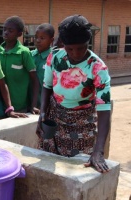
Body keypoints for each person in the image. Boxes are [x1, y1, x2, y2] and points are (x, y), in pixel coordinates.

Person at [36, 15, 111, 173]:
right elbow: (47, 86)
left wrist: (99, 151)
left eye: (81, 48)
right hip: (54, 117)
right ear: (63, 44)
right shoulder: (55, 57)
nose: (75, 53)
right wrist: (43, 113)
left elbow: (104, 110)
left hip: (81, 123)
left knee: (75, 169)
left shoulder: (97, 68)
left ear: (87, 43)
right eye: (70, 49)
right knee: (49, 165)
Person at [0, 16, 40, 120]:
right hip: (0, 106)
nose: (6, 32)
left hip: (19, 106)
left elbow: (35, 80)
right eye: (4, 29)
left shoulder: (24, 53)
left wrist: (33, 105)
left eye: (10, 30)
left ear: (19, 34)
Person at [31, 23, 55, 108]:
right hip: (31, 104)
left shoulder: (54, 58)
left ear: (51, 40)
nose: (38, 40)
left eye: (42, 38)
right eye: (36, 37)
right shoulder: (30, 55)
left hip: (48, 105)